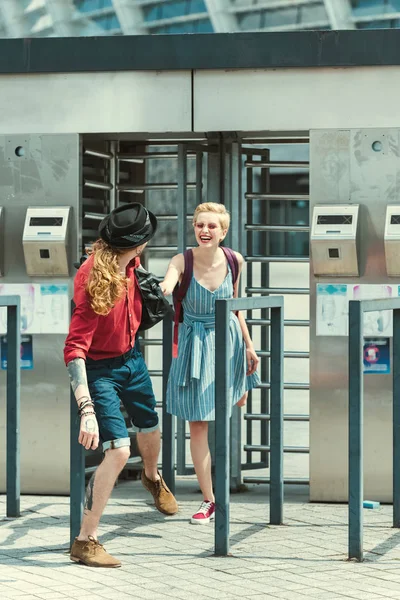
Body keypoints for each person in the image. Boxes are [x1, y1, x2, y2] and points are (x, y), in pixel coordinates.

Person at [64, 203, 178, 568]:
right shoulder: (91, 279)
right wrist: (86, 410)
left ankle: (151, 477)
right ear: (141, 244)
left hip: (132, 360)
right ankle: (86, 540)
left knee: (150, 425)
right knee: (117, 451)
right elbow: (74, 349)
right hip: (99, 371)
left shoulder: (129, 260)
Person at [160, 202, 260, 525]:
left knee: (232, 402)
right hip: (196, 345)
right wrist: (162, 289)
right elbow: (167, 285)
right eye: (200, 225)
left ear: (223, 232)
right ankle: (209, 500)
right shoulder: (181, 261)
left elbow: (236, 307)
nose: (204, 230)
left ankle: (237, 392)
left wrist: (249, 345)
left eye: (211, 226)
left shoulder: (235, 261)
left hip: (228, 341)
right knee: (199, 422)